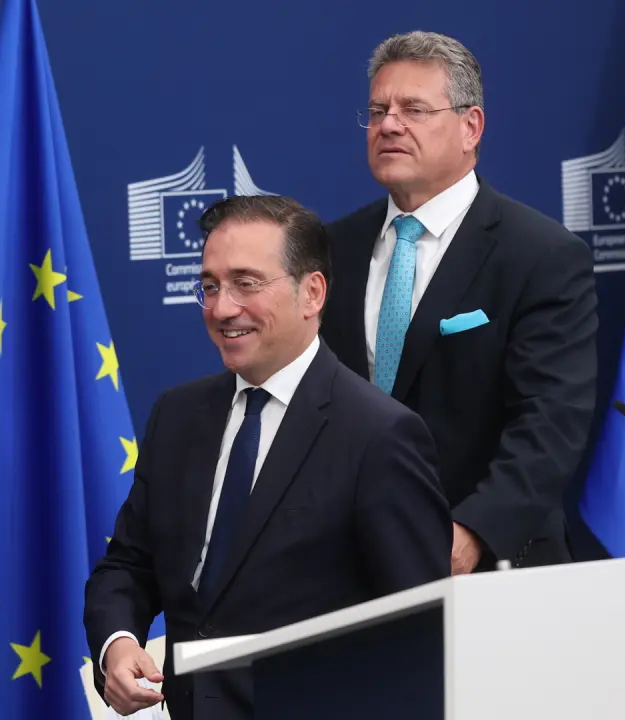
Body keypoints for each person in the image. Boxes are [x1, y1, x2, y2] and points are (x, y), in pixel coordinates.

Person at [84, 195, 452, 720]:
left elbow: (418, 635)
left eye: (246, 283)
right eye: (210, 286)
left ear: (312, 293)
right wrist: (117, 644)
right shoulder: (177, 416)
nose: (221, 308)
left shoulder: (380, 435)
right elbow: (129, 565)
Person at [320, 30, 598, 574]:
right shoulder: (332, 250)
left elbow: (550, 422)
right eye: (377, 111)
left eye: (414, 109)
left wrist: (474, 531)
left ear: (471, 127)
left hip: (490, 568)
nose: (389, 125)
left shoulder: (539, 254)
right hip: (352, 568)